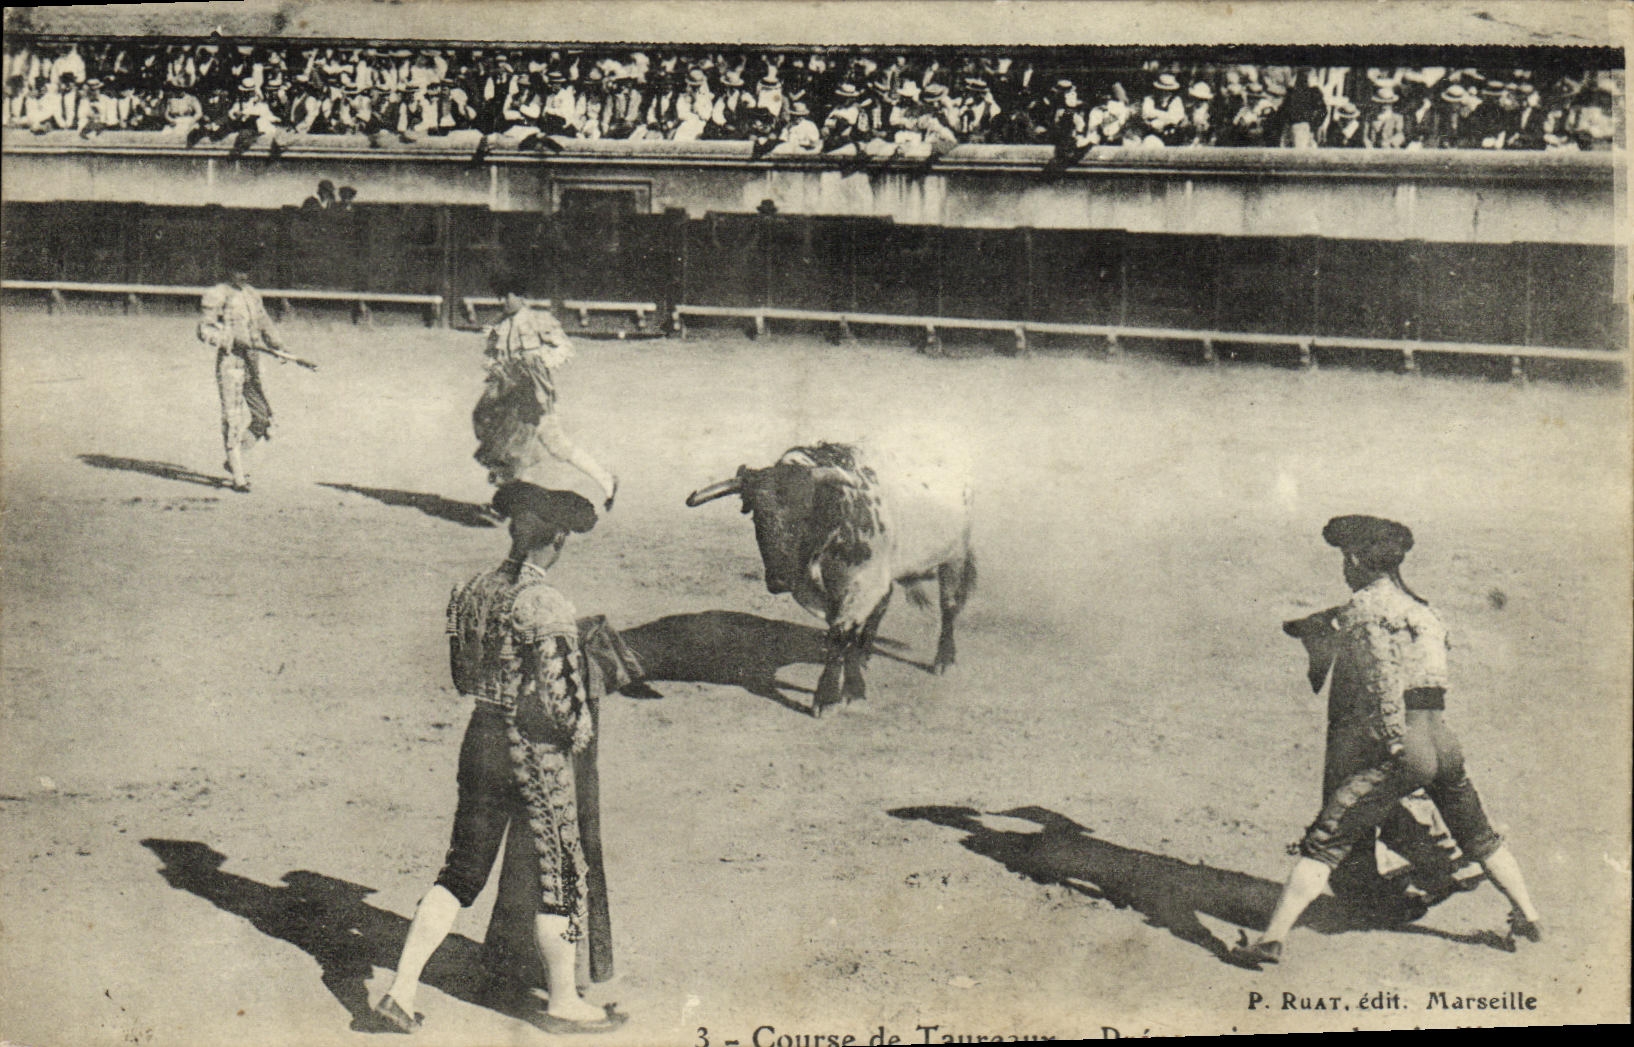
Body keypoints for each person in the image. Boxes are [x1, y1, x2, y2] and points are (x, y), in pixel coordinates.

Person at [1230, 516, 1543, 969]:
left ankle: (1272, 938)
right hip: (1444, 741)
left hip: (1407, 746)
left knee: (1326, 839)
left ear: (1356, 559)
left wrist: (1395, 760)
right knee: (1481, 836)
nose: (1343, 568)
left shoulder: (1361, 613)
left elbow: (1381, 696)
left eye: (1344, 558)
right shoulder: (1426, 612)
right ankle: (1528, 915)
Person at [374, 482, 626, 1036]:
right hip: (528, 749)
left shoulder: (471, 591)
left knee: (461, 870)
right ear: (556, 539)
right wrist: (579, 730)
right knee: (558, 869)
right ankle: (562, 1001)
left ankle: (400, 989)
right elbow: (562, 704)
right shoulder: (545, 602)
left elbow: (463, 677)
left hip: (479, 737)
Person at [474, 276, 619, 510]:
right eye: (501, 298)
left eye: (507, 297)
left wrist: (537, 362)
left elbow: (564, 349)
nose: (503, 302)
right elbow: (492, 358)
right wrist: (496, 369)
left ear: (521, 296)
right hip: (510, 396)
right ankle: (506, 502)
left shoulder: (537, 321)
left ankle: (605, 479)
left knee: (546, 445)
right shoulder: (501, 324)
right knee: (507, 441)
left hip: (534, 396)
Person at [197, 265, 282, 492]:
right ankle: (238, 476)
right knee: (233, 417)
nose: (243, 276)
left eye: (246, 271)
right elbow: (205, 330)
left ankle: (234, 458)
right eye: (238, 271)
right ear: (228, 271)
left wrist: (278, 345)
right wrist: (231, 340)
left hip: (253, 361)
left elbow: (264, 323)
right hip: (230, 361)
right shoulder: (217, 294)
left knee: (263, 417)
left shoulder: (252, 294)